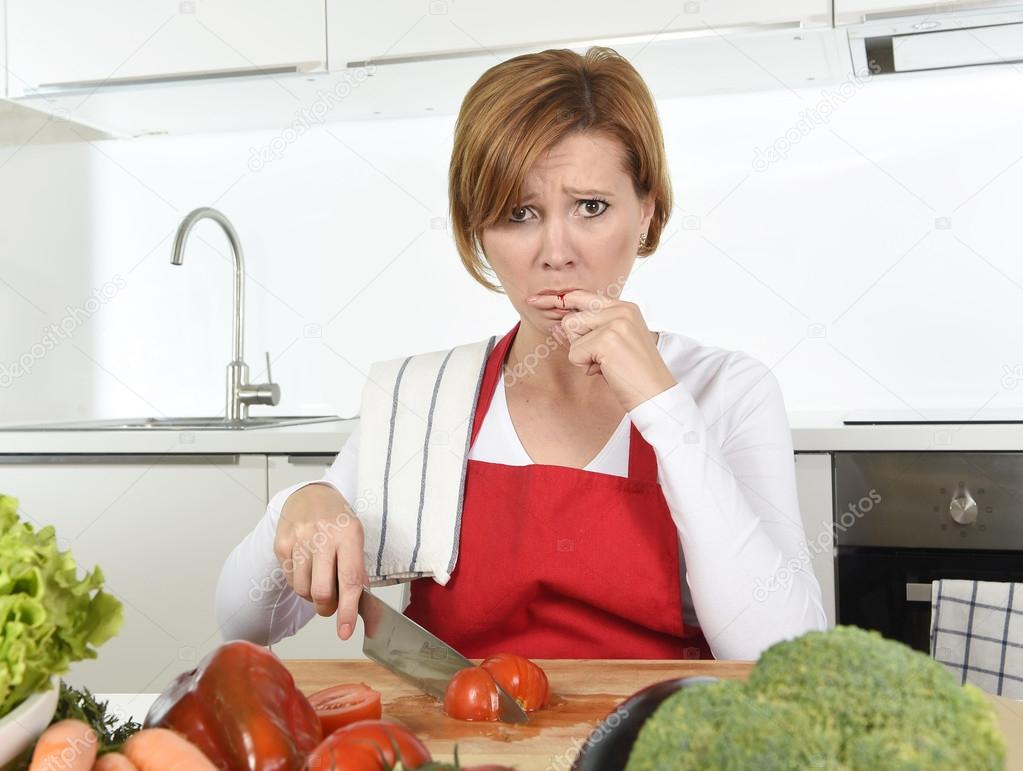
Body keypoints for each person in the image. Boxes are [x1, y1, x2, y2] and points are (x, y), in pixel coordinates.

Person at [215, 46, 827, 661]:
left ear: (646, 211)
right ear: (478, 229)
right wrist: (296, 508)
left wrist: (663, 408)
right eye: (519, 213)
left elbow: (784, 656)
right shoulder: (428, 399)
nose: (555, 252)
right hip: (465, 749)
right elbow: (245, 622)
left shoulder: (728, 393)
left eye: (591, 207)